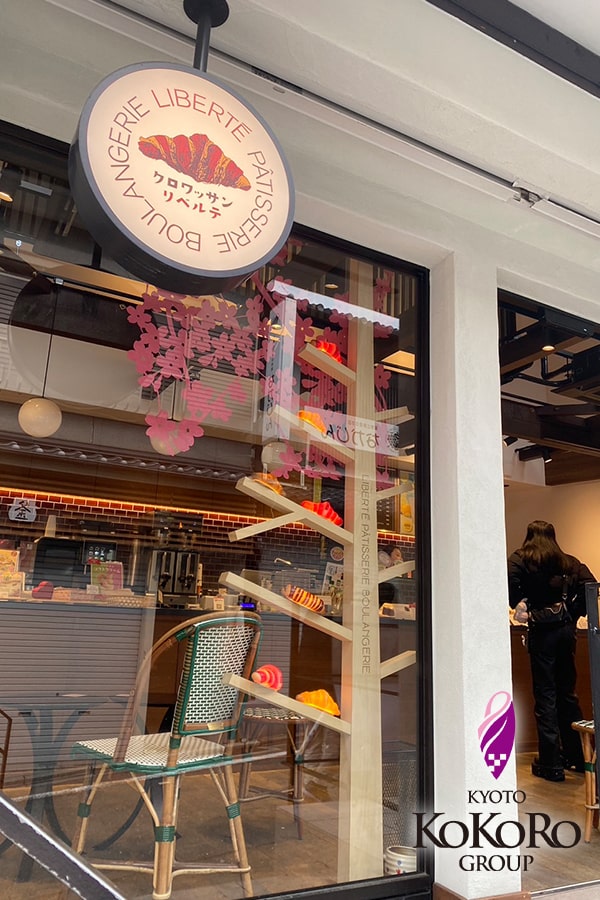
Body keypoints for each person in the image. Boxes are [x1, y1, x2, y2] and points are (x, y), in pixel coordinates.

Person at [508, 520, 595, 782]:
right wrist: (571, 613)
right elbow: (592, 587)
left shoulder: (520, 560)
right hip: (566, 632)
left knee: (545, 694)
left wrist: (526, 606)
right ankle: (577, 757)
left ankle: (551, 762)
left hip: (541, 632)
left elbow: (511, 593)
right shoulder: (568, 562)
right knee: (567, 693)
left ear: (529, 536)